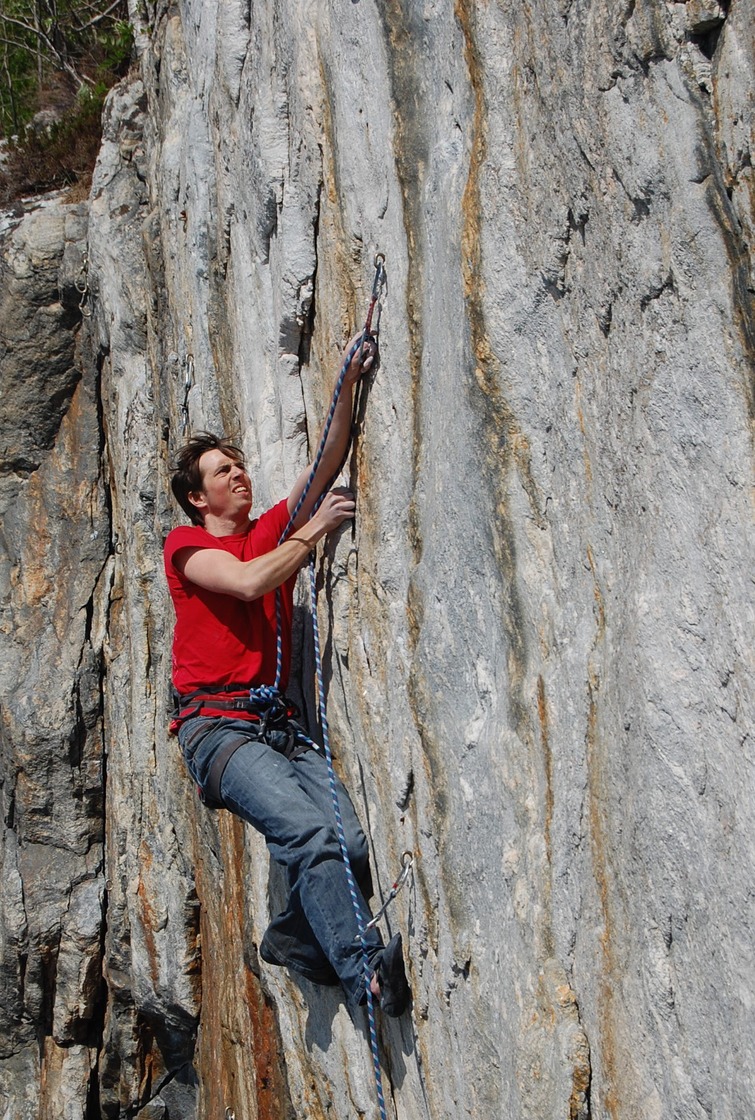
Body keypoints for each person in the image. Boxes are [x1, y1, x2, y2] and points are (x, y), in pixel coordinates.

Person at [163, 333, 409, 1017]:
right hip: (217, 731)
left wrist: (349, 380)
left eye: (239, 466)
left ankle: (297, 940)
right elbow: (243, 584)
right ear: (196, 498)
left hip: (276, 724)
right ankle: (365, 978)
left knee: (349, 842)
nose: (239, 475)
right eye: (222, 472)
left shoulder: (267, 528)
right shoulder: (186, 546)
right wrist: (312, 535)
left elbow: (323, 465)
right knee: (306, 832)